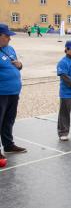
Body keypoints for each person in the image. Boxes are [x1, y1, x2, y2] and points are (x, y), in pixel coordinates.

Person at [0, 24, 27, 156]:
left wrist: (20, 65)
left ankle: (8, 145)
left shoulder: (10, 49)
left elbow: (16, 64)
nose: (9, 39)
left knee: (9, 120)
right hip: (1, 93)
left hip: (14, 92)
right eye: (7, 36)